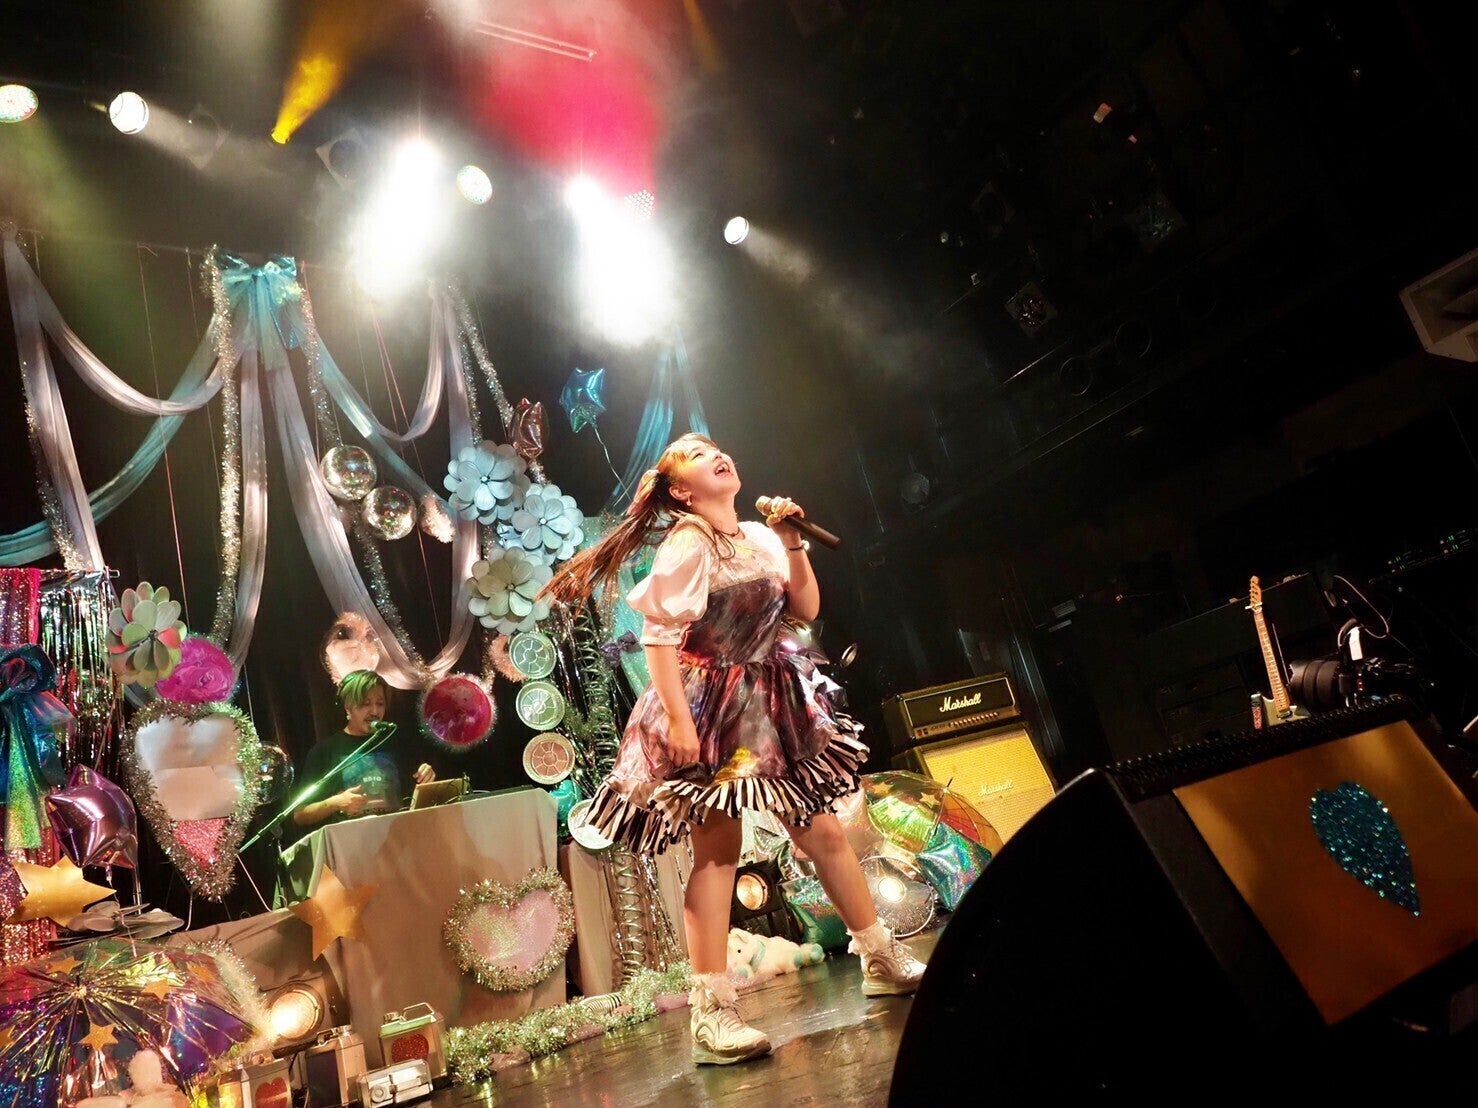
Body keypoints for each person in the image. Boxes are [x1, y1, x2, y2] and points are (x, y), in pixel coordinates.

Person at [544, 433, 925, 1066]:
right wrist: (677, 719)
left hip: (773, 702)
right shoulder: (687, 543)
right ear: (681, 490)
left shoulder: (756, 536)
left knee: (822, 831)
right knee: (718, 850)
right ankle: (712, 1012)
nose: (716, 455)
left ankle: (878, 956)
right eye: (697, 455)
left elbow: (803, 609)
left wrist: (793, 541)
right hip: (711, 705)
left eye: (716, 448)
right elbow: (659, 638)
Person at [293, 670, 434, 832]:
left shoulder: (398, 742)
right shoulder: (324, 751)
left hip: (400, 839)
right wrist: (334, 803)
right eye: (365, 704)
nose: (374, 712)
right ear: (347, 706)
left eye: (380, 703)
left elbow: (421, 797)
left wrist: (427, 777)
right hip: (351, 844)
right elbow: (300, 815)